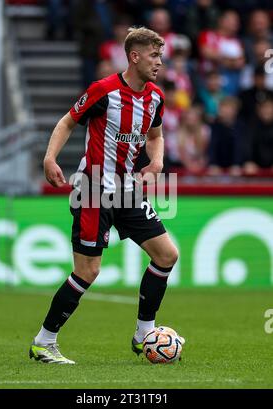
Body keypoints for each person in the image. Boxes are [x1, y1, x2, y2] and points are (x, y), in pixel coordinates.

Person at [29, 26, 183, 364]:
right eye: (154, 56)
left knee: (166, 255)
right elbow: (68, 122)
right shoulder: (103, 90)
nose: (159, 62)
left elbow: (155, 136)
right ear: (135, 56)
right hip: (94, 189)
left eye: (161, 56)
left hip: (128, 189)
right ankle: (44, 341)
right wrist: (50, 157)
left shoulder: (155, 96)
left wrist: (156, 162)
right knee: (88, 271)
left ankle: (144, 332)